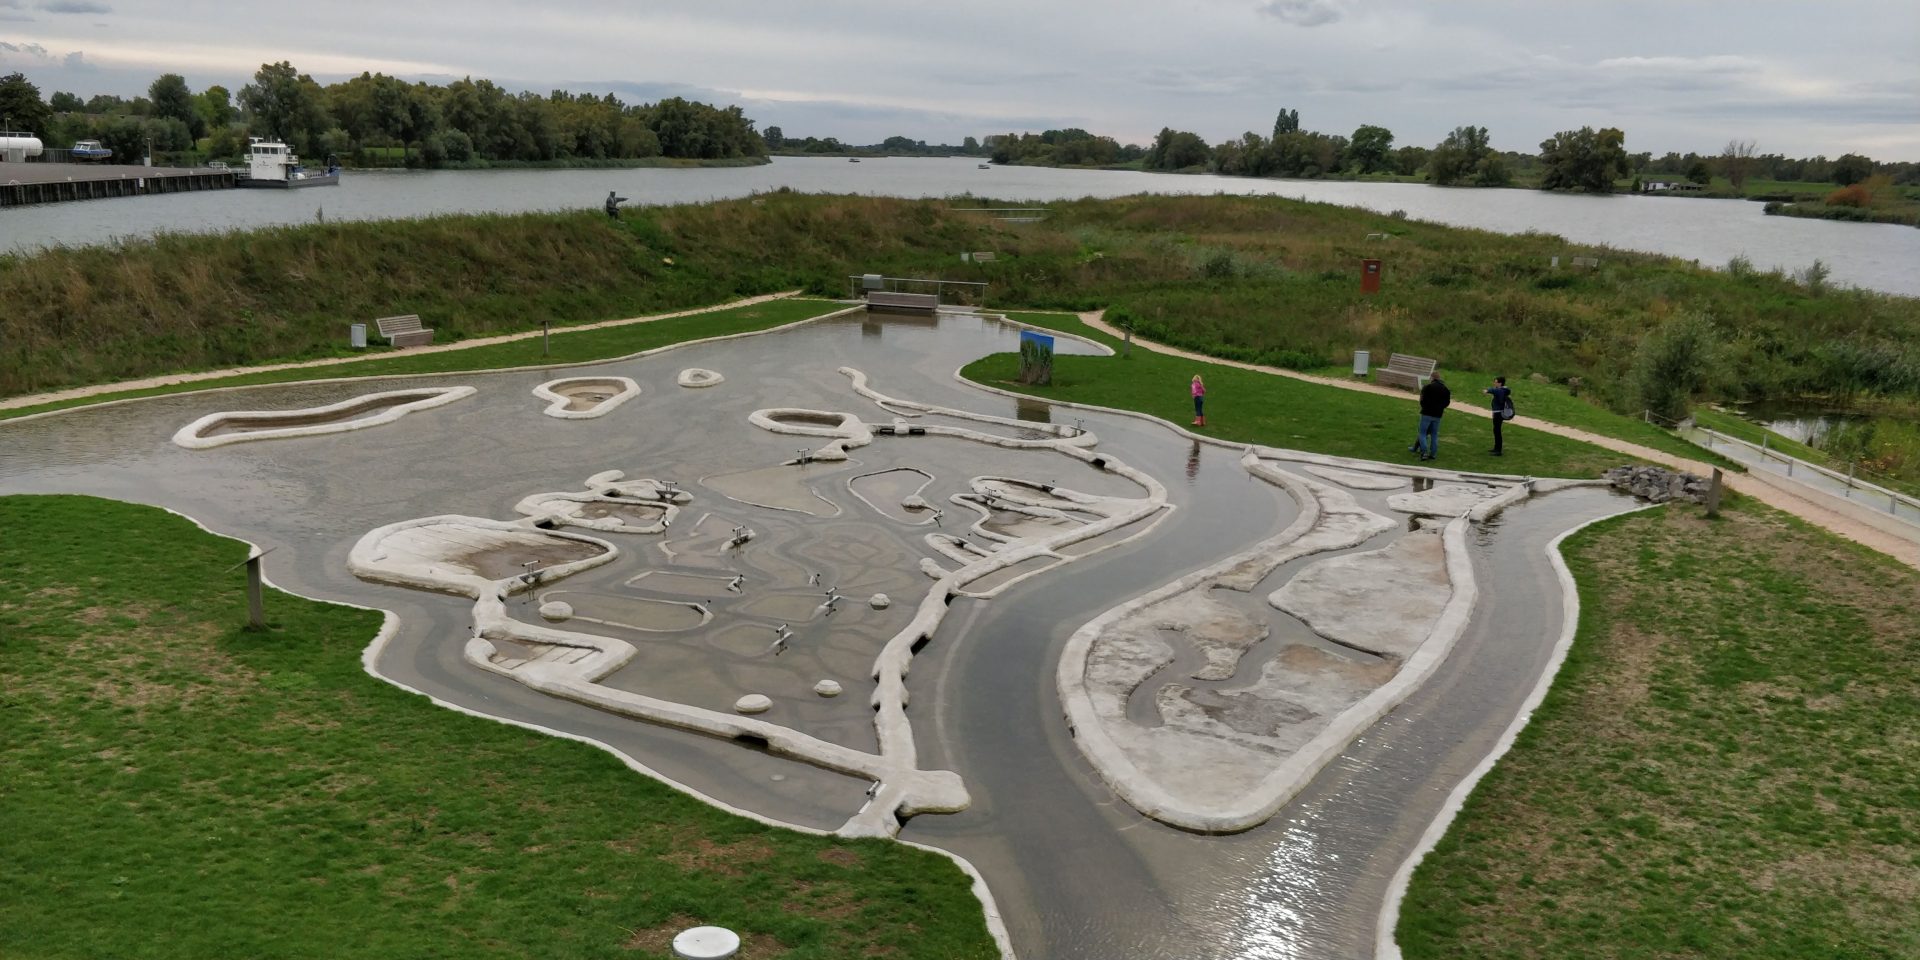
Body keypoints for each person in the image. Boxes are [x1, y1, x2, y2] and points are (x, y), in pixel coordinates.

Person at [1409, 372, 1450, 460]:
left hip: (1427, 413)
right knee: (1434, 434)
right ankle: (1433, 454)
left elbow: (1422, 400)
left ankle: (1424, 452)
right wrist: (1440, 408)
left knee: (1422, 433)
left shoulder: (1427, 387)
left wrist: (1424, 407)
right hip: (1438, 415)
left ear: (1432, 378)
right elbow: (1447, 403)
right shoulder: (1445, 389)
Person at [1484, 376, 1513, 456]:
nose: (1494, 383)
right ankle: (1496, 448)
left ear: (1500, 383)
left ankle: (1498, 450)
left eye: (1496, 382)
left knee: (1497, 431)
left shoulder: (1501, 390)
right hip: (1497, 412)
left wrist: (1487, 390)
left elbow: (1494, 391)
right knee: (1496, 430)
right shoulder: (1502, 390)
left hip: (1499, 413)